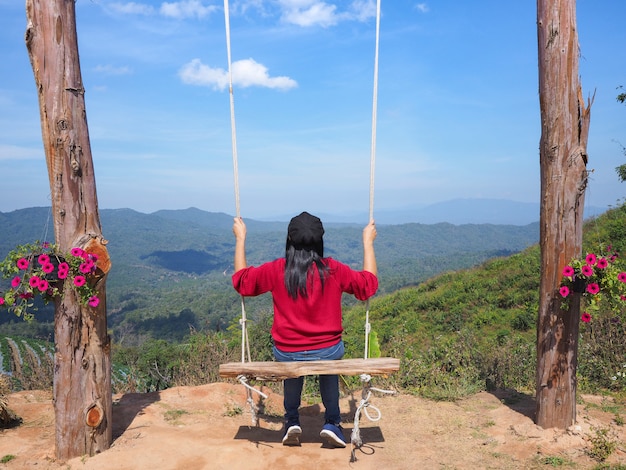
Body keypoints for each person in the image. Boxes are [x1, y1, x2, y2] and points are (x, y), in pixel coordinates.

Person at [231, 211, 378, 448]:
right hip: (329, 351)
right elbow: (368, 286)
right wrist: (368, 243)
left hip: (287, 351)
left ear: (289, 240)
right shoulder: (334, 270)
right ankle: (332, 423)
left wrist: (240, 239)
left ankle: (291, 421)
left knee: (290, 367)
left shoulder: (277, 269)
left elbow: (242, 282)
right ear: (320, 241)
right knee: (329, 366)